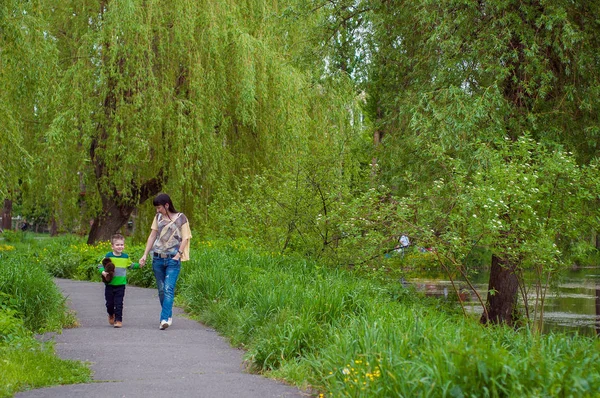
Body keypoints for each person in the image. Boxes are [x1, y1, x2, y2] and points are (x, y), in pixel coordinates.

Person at [139, 193, 192, 330]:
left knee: (168, 289)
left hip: (173, 260)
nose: (158, 211)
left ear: (167, 205)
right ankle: (168, 314)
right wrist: (145, 254)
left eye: (159, 208)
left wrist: (178, 255)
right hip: (157, 258)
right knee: (162, 290)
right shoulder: (158, 218)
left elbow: (186, 238)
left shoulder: (181, 218)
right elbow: (152, 236)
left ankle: (163, 319)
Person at [99, 233, 142, 328]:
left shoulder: (125, 257)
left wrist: (139, 265)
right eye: (117, 245)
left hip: (121, 285)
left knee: (119, 303)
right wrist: (103, 272)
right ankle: (111, 314)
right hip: (110, 284)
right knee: (109, 303)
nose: (120, 247)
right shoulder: (108, 256)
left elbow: (130, 265)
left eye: (121, 244)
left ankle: (118, 320)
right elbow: (100, 265)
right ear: (112, 246)